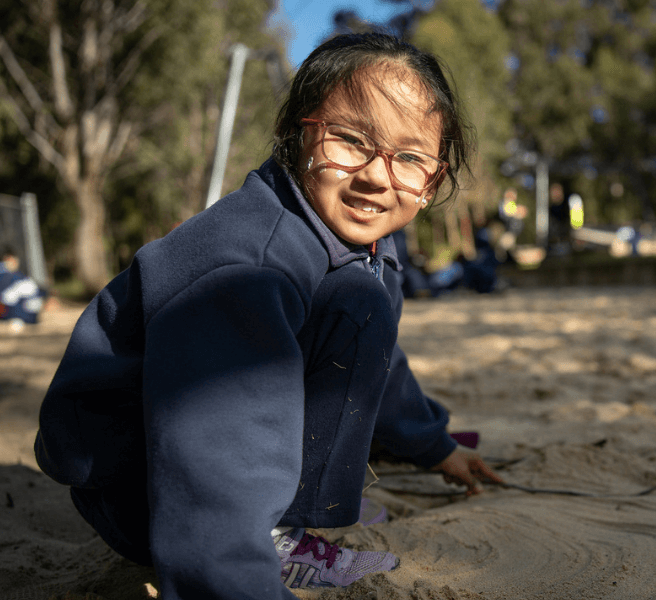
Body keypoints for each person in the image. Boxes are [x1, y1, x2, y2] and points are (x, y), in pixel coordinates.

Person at [34, 33, 503, 599]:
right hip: (142, 481)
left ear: (432, 178)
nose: (378, 177)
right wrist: (230, 576)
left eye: (410, 158)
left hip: (205, 457)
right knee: (351, 312)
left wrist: (435, 446)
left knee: (362, 305)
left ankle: (290, 513)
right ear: (297, 134)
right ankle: (272, 537)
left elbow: (374, 358)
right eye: (351, 140)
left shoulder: (361, 244)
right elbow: (217, 449)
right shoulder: (249, 269)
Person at [0, 245, 46, 331]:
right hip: (17, 313)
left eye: (14, 260)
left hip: (26, 314)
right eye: (9, 260)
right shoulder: (5, 276)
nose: (13, 262)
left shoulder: (20, 277)